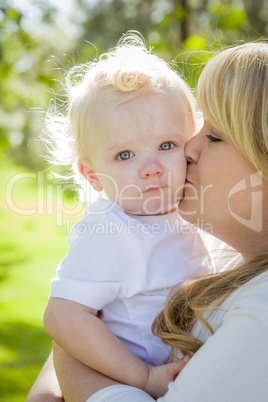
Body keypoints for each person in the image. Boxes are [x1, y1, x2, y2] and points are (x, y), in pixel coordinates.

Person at [27, 40, 268, 401]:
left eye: (169, 144)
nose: (188, 150)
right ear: (93, 175)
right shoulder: (114, 230)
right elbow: (64, 316)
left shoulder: (255, 306)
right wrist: (141, 378)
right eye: (125, 154)